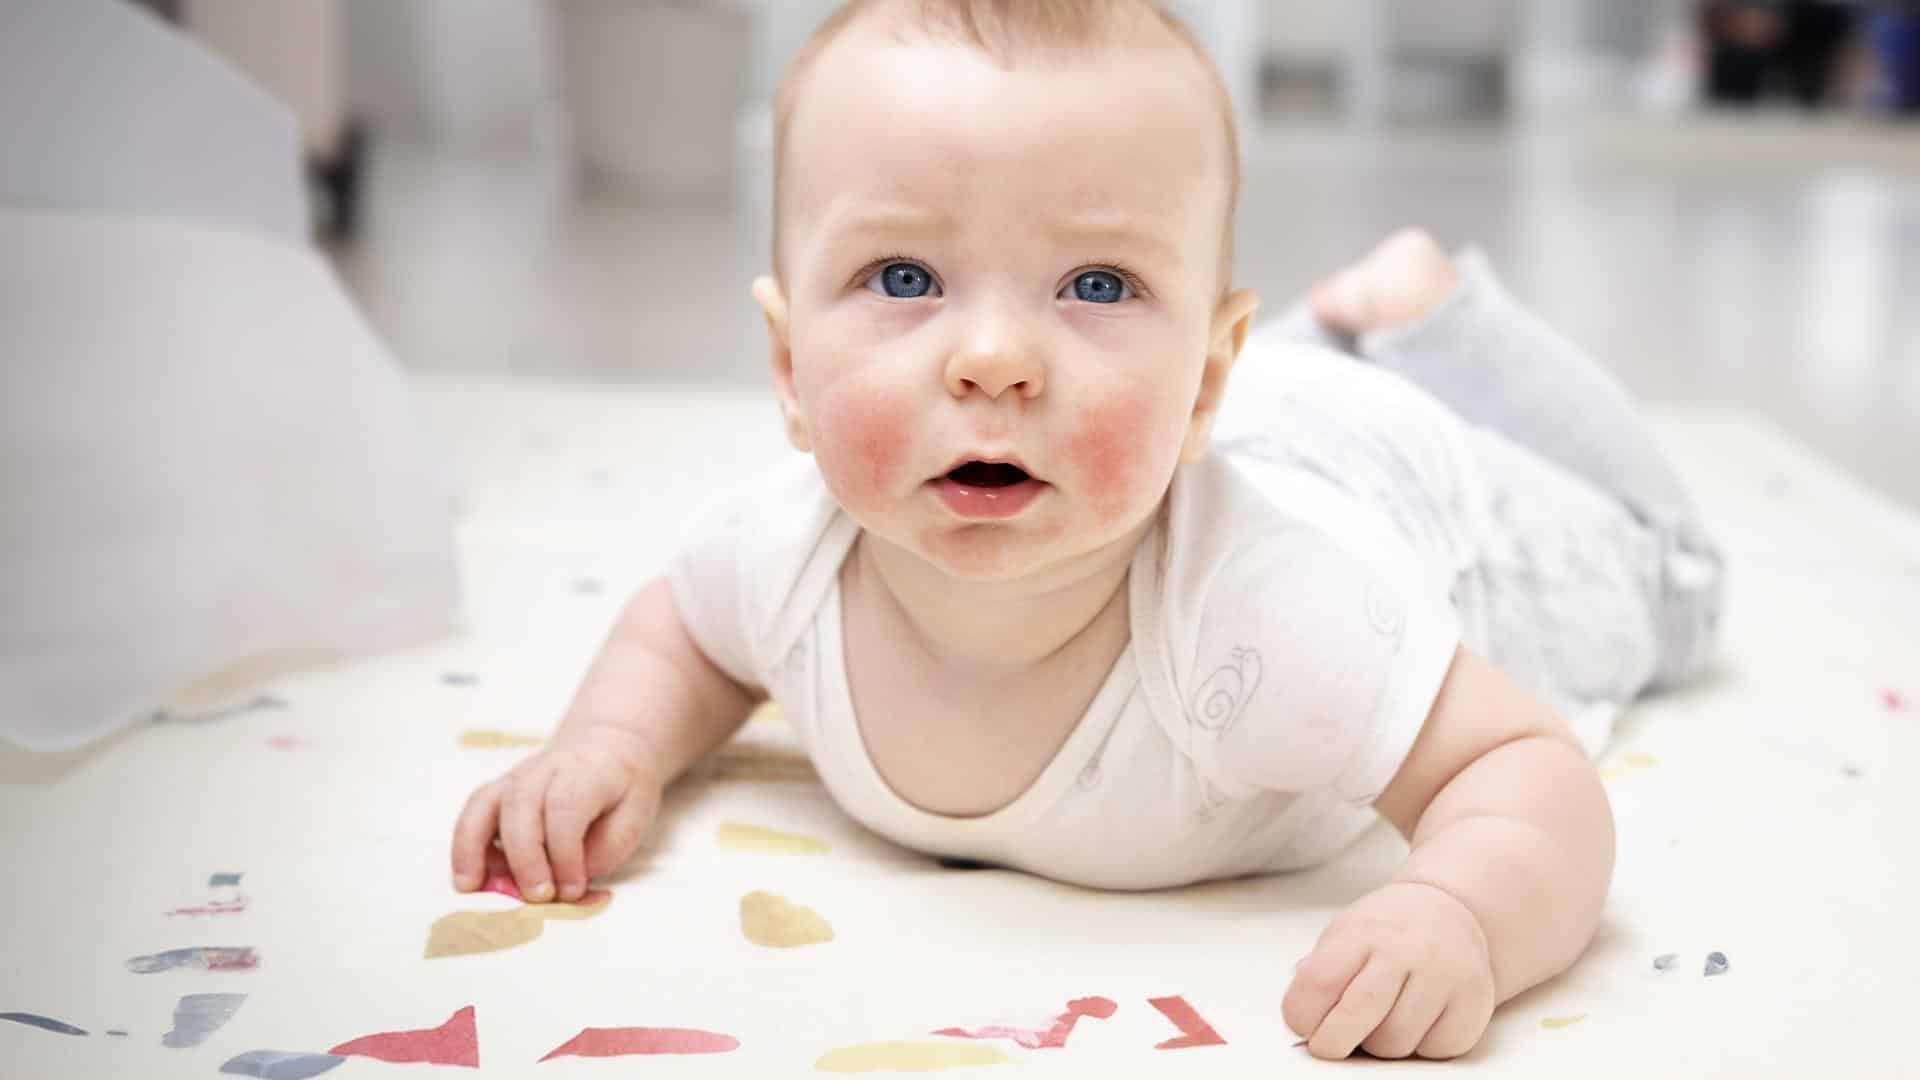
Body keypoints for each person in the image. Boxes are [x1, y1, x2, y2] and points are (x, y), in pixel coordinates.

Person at [449, 0, 1724, 1060]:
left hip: (1407, 490)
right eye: (905, 280)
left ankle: (1440, 321)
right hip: (1211, 412)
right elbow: (685, 629)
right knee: (1169, 394)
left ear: (1203, 381)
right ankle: (1325, 324)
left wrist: (1462, 911)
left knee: (1672, 586)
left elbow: (1523, 771)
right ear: (788, 369)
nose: (995, 360)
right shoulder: (786, 553)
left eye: (1098, 284)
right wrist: (610, 743)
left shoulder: (1274, 618)